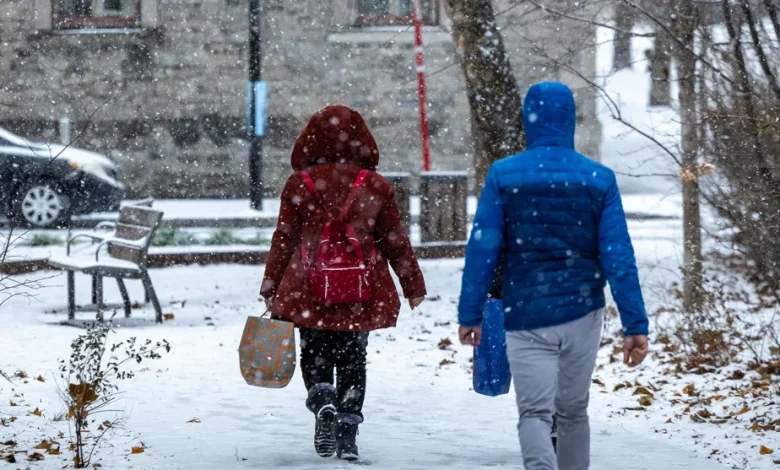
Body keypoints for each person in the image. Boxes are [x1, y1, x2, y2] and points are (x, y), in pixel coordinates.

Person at [457, 82, 649, 470]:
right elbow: (618, 258)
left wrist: (470, 313)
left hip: (526, 313)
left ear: (529, 121)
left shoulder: (504, 175)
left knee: (534, 414)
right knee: (574, 412)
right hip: (582, 312)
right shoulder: (598, 179)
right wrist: (635, 324)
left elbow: (482, 249)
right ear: (570, 121)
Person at [260, 105, 427, 462]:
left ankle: (323, 401)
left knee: (314, 352)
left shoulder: (299, 184)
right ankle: (348, 436)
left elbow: (284, 238)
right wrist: (412, 284)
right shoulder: (375, 186)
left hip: (308, 286)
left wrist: (271, 282)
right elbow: (395, 239)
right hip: (360, 289)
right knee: (354, 359)